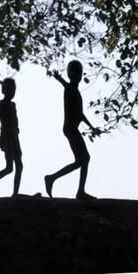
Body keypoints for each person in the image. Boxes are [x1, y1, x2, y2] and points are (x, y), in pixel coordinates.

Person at [44, 60, 99, 200]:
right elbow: (80, 114)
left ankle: (54, 179)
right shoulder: (71, 89)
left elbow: (80, 114)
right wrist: (92, 127)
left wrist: (92, 127)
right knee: (84, 159)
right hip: (70, 129)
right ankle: (75, 189)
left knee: (81, 160)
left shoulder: (72, 89)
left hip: (71, 129)